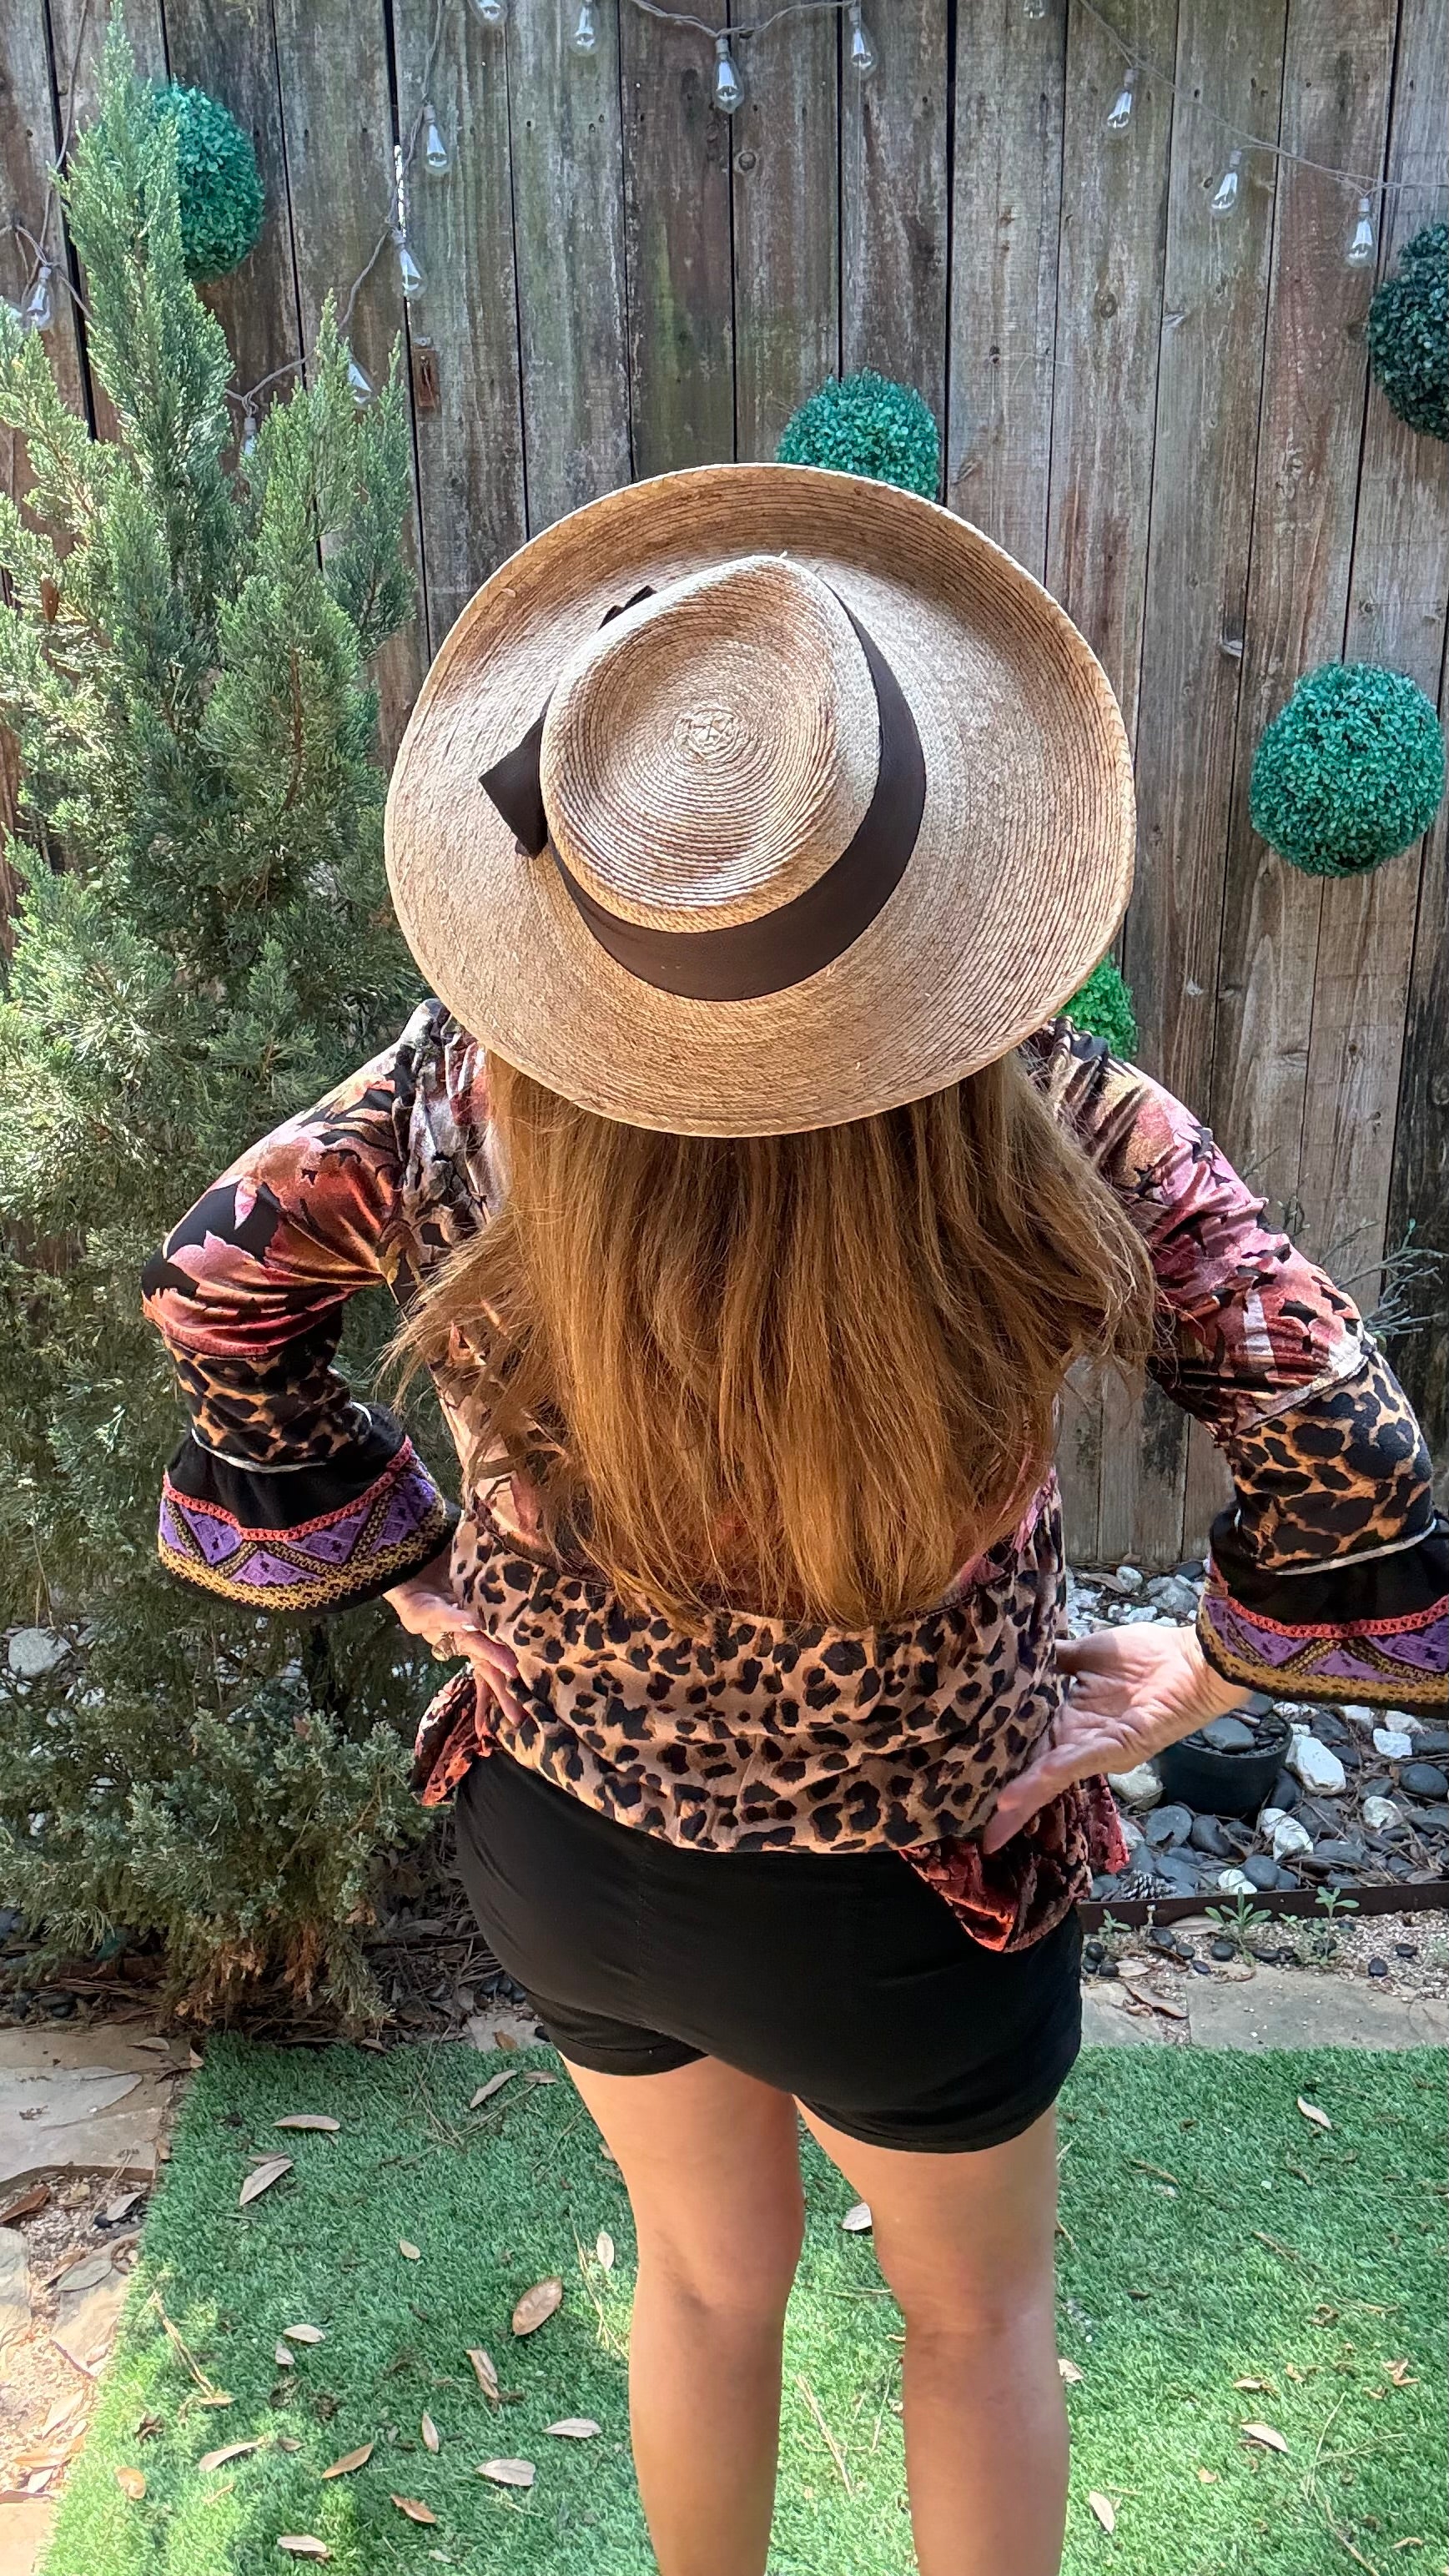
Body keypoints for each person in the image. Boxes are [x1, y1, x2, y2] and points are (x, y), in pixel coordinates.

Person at [143, 465, 1445, 2576]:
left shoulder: (451, 1087)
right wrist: (1187, 1678)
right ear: (924, 859)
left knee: (699, 2278)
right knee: (975, 2319)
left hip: (568, 1843)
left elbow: (213, 1281)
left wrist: (392, 1551)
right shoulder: (1055, 1121)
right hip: (907, 1898)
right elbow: (1344, 1439)